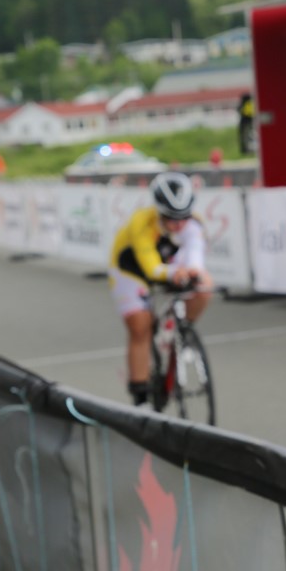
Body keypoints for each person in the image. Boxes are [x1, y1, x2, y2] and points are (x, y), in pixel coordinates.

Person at [108, 171, 214, 408]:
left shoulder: (193, 224)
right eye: (171, 218)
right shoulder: (141, 223)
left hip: (166, 263)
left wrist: (194, 272)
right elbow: (151, 267)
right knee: (140, 326)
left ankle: (182, 332)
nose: (178, 225)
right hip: (131, 270)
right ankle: (141, 398)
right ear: (159, 211)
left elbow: (195, 255)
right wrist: (173, 274)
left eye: (183, 217)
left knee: (205, 285)